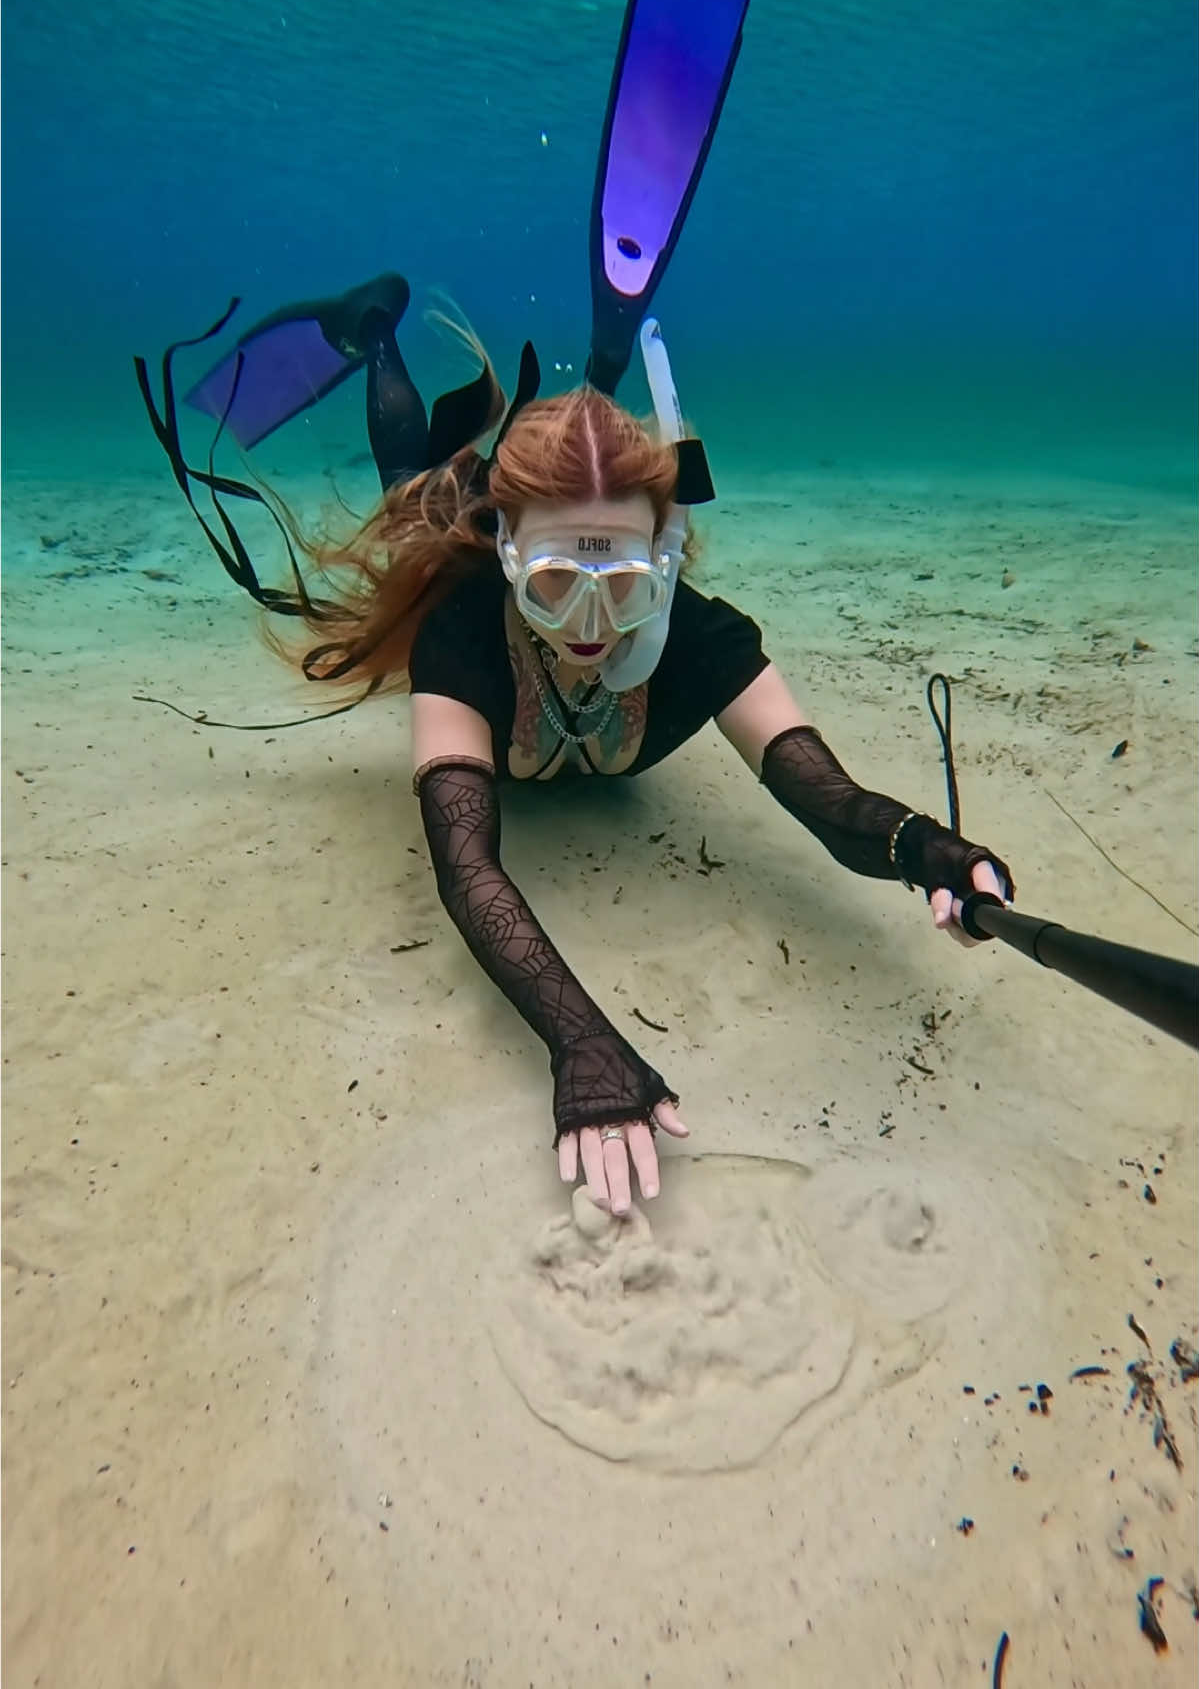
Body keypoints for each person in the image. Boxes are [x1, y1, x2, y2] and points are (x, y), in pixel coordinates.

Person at [137, 279, 1015, 1218]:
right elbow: (466, 863)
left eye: (626, 586)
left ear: (665, 562)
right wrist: (582, 1040)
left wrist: (925, 849)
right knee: (411, 498)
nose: (591, 625)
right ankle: (378, 334)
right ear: (510, 555)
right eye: (556, 583)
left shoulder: (701, 638)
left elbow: (825, 796)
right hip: (462, 540)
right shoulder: (465, 634)